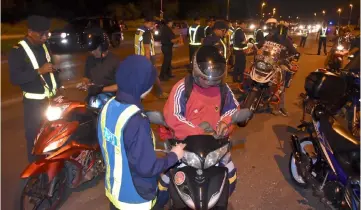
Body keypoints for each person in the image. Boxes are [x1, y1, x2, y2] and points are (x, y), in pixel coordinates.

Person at [154, 46, 239, 208]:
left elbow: (233, 109)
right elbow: (173, 117)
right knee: (167, 178)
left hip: (215, 146)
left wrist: (225, 121)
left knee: (231, 175)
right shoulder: (182, 88)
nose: (210, 82)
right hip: (184, 145)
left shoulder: (223, 89)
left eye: (215, 78)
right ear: (195, 70)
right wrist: (204, 132)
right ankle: (157, 204)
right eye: (206, 78)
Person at [97, 55, 186, 210]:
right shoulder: (136, 121)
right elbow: (147, 168)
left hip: (115, 192)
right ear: (143, 86)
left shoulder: (108, 106)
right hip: (135, 199)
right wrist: (174, 156)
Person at [8, 15, 61, 162]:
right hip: (34, 106)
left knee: (53, 136)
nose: (45, 37)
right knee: (35, 138)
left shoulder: (44, 46)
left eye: (47, 33)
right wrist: (38, 71)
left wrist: (58, 86)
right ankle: (35, 172)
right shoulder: (18, 51)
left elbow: (50, 70)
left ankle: (52, 168)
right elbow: (15, 78)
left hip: (52, 101)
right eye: (42, 34)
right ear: (30, 32)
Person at [264, 18, 299, 116]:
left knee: (280, 85)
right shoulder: (270, 38)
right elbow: (262, 47)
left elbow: (294, 52)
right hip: (270, 62)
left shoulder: (286, 40)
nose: (281, 31)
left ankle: (280, 107)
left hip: (278, 64)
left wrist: (292, 56)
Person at [81, 27, 120, 106]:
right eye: (90, 50)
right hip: (94, 98)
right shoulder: (90, 59)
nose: (92, 52)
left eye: (94, 50)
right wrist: (85, 83)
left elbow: (120, 86)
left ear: (102, 47)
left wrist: (101, 90)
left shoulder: (115, 61)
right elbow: (86, 76)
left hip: (111, 100)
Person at [135, 17, 168, 99]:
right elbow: (147, 48)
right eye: (153, 24)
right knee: (153, 74)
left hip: (138, 56)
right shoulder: (146, 32)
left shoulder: (139, 30)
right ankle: (160, 93)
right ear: (149, 22)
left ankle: (136, 93)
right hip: (147, 57)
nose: (153, 26)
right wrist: (147, 60)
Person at [232, 20, 248, 85]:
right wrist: (246, 42)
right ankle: (240, 79)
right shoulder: (239, 31)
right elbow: (241, 42)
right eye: (245, 24)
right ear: (242, 24)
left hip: (238, 51)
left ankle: (235, 78)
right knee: (241, 65)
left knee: (237, 65)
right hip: (240, 51)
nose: (245, 26)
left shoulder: (237, 30)